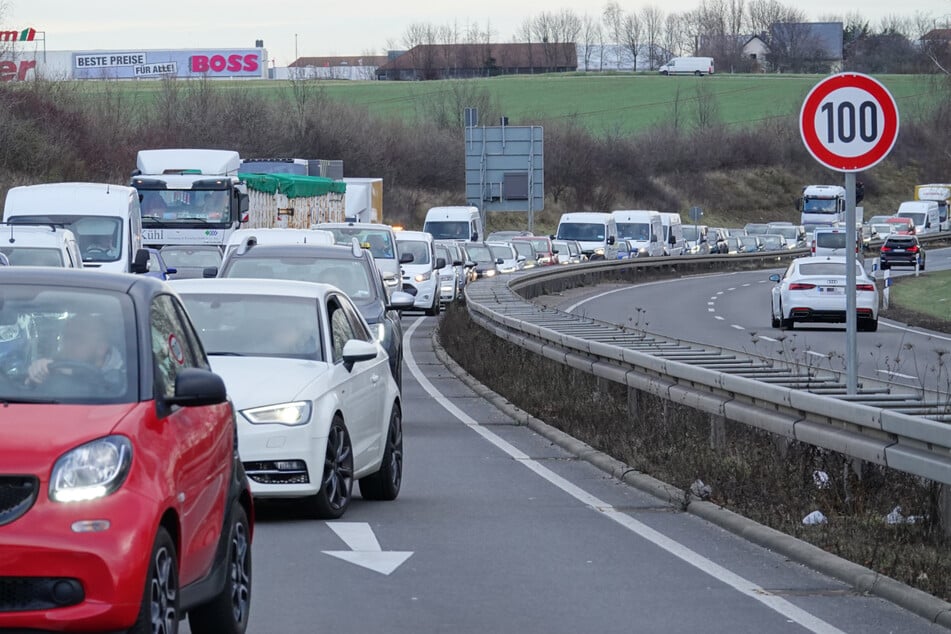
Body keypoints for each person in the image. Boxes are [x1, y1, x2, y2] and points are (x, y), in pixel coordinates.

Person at [27, 314, 124, 388]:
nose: (68, 344)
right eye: (66, 337)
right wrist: (38, 371)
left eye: (78, 339)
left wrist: (73, 373)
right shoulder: (60, 360)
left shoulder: (124, 379)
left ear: (101, 348)